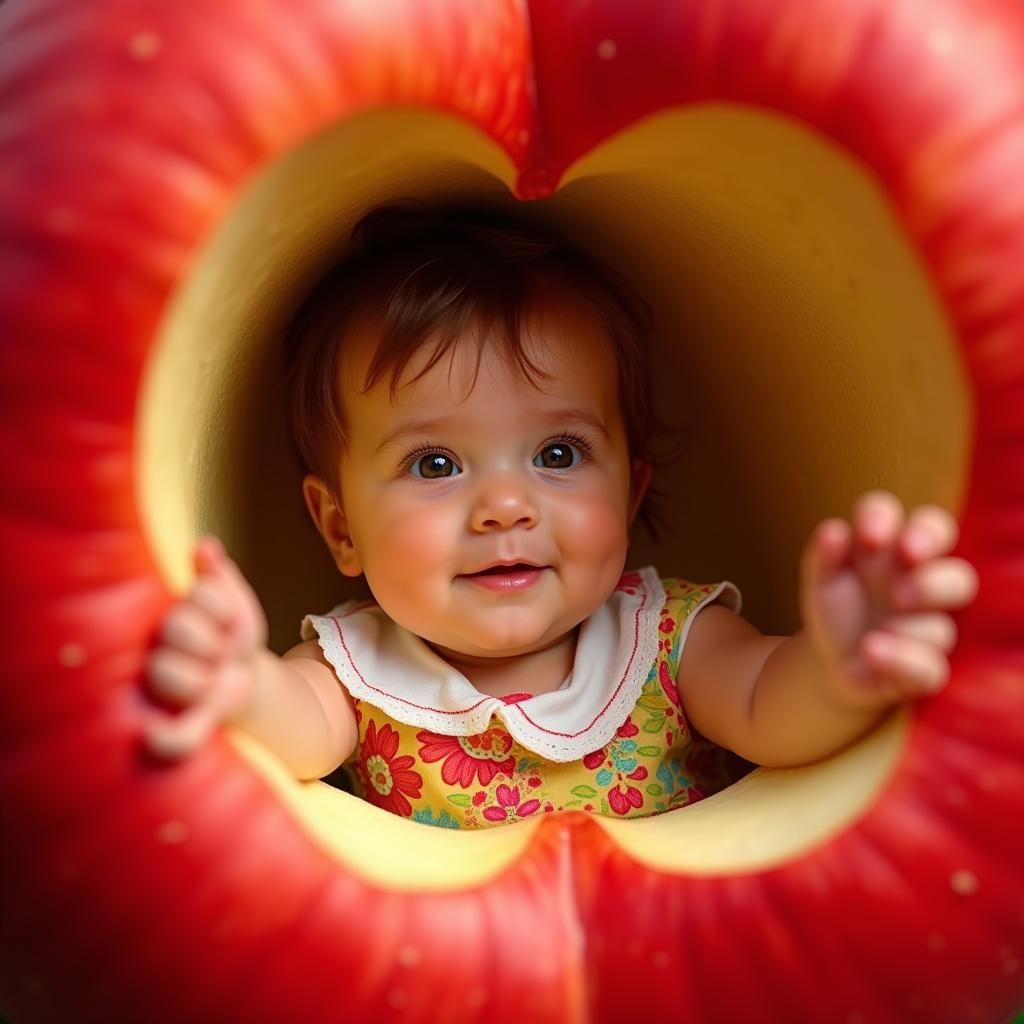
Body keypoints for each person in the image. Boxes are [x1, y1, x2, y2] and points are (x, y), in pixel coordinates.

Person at [142, 204, 978, 828]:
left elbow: (770, 711)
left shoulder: (667, 639)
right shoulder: (354, 668)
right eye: (435, 464)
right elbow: (294, 730)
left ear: (630, 490)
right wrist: (240, 679)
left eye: (558, 455)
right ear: (339, 529)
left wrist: (838, 666)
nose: (506, 506)